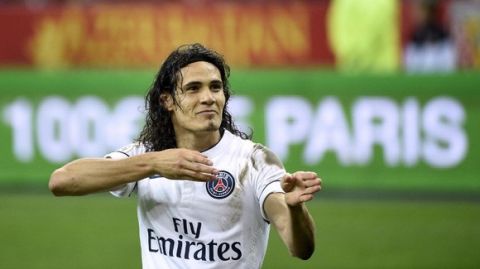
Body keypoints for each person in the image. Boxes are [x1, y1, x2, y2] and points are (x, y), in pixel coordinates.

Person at [48, 43, 322, 269]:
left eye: (215, 87)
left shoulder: (254, 161)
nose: (208, 97)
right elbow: (62, 182)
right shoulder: (148, 154)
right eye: (193, 88)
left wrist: (296, 209)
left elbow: (300, 248)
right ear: (167, 100)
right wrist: (153, 163)